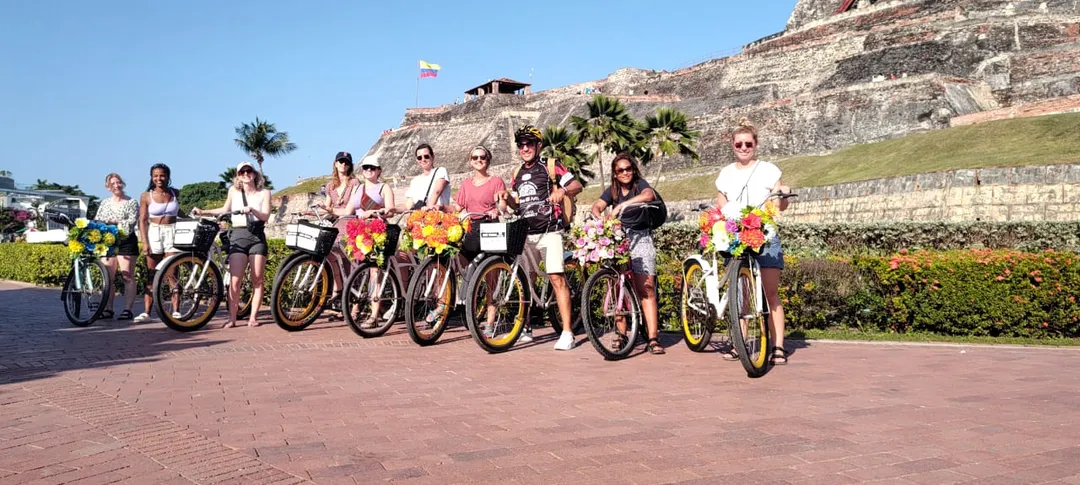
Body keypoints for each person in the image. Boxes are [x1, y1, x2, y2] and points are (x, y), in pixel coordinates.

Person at [497, 124, 583, 350]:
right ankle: (525, 327)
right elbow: (519, 206)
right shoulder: (517, 173)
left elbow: (577, 185)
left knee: (556, 278)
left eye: (529, 144)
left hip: (549, 230)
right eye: (521, 145)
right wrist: (508, 198)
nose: (525, 148)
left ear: (538, 145)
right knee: (525, 281)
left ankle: (567, 332)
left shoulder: (551, 166)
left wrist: (562, 191)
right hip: (526, 232)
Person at [714, 118, 793, 364]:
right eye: (739, 144)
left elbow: (779, 203)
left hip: (764, 233)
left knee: (770, 292)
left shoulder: (769, 170)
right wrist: (728, 216)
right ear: (733, 145)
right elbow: (721, 201)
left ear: (755, 144)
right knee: (741, 295)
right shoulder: (725, 173)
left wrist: (783, 196)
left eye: (748, 143)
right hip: (736, 234)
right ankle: (741, 343)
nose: (744, 147)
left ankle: (777, 345)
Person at [589, 153, 664, 355]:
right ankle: (622, 334)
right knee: (615, 286)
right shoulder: (612, 190)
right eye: (620, 170)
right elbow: (597, 205)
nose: (625, 173)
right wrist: (599, 216)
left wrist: (622, 205)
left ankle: (653, 338)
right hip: (619, 236)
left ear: (633, 169)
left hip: (640, 236)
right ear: (614, 173)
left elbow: (649, 195)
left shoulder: (639, 185)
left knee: (645, 287)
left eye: (628, 169)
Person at [193, 162, 271, 328]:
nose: (245, 174)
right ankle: (232, 317)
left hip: (257, 236)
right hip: (238, 235)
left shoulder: (264, 193)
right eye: (242, 172)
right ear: (238, 175)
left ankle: (253, 317)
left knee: (257, 279)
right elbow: (224, 208)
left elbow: (265, 216)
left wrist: (252, 210)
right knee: (235, 280)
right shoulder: (234, 191)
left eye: (248, 171)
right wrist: (203, 212)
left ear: (254, 173)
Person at [337, 155, 399, 329]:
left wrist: (373, 212)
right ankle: (367, 308)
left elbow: (390, 210)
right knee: (359, 270)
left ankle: (373, 315)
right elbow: (347, 210)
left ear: (379, 170)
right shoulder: (358, 189)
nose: (368, 171)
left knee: (374, 273)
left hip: (377, 231)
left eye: (372, 168)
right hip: (360, 232)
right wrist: (326, 210)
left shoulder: (384, 187)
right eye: (365, 168)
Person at [135, 163, 184, 323]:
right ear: (151, 177)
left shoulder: (175, 193)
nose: (159, 178)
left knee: (172, 272)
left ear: (168, 177)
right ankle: (147, 312)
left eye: (162, 175)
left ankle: (176, 310)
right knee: (152, 274)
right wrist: (144, 242)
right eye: (155, 175)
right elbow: (142, 220)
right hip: (154, 232)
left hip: (173, 232)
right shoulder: (146, 195)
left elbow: (179, 212)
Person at [96, 173, 139, 321]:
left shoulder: (131, 202)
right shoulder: (105, 203)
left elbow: (132, 222)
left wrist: (113, 222)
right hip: (108, 241)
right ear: (108, 187)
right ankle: (108, 309)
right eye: (112, 183)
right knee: (107, 277)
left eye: (118, 182)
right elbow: (98, 221)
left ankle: (127, 309)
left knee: (127, 275)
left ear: (123, 184)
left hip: (126, 240)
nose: (116, 185)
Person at [451, 145, 505, 261]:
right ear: (470, 161)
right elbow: (457, 207)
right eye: (475, 158)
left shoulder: (496, 181)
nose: (478, 160)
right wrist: (440, 207)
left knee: (491, 266)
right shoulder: (466, 184)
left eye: (482, 157)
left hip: (490, 226)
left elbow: (502, 205)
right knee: (465, 262)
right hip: (472, 227)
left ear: (488, 159)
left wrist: (496, 210)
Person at [406, 144, 450, 210]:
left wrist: (428, 208)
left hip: (437, 216)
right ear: (417, 160)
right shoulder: (415, 181)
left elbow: (437, 192)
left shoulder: (440, 171)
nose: (423, 159)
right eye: (419, 158)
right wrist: (392, 209)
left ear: (432, 157)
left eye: (426, 156)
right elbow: (408, 205)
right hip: (421, 216)